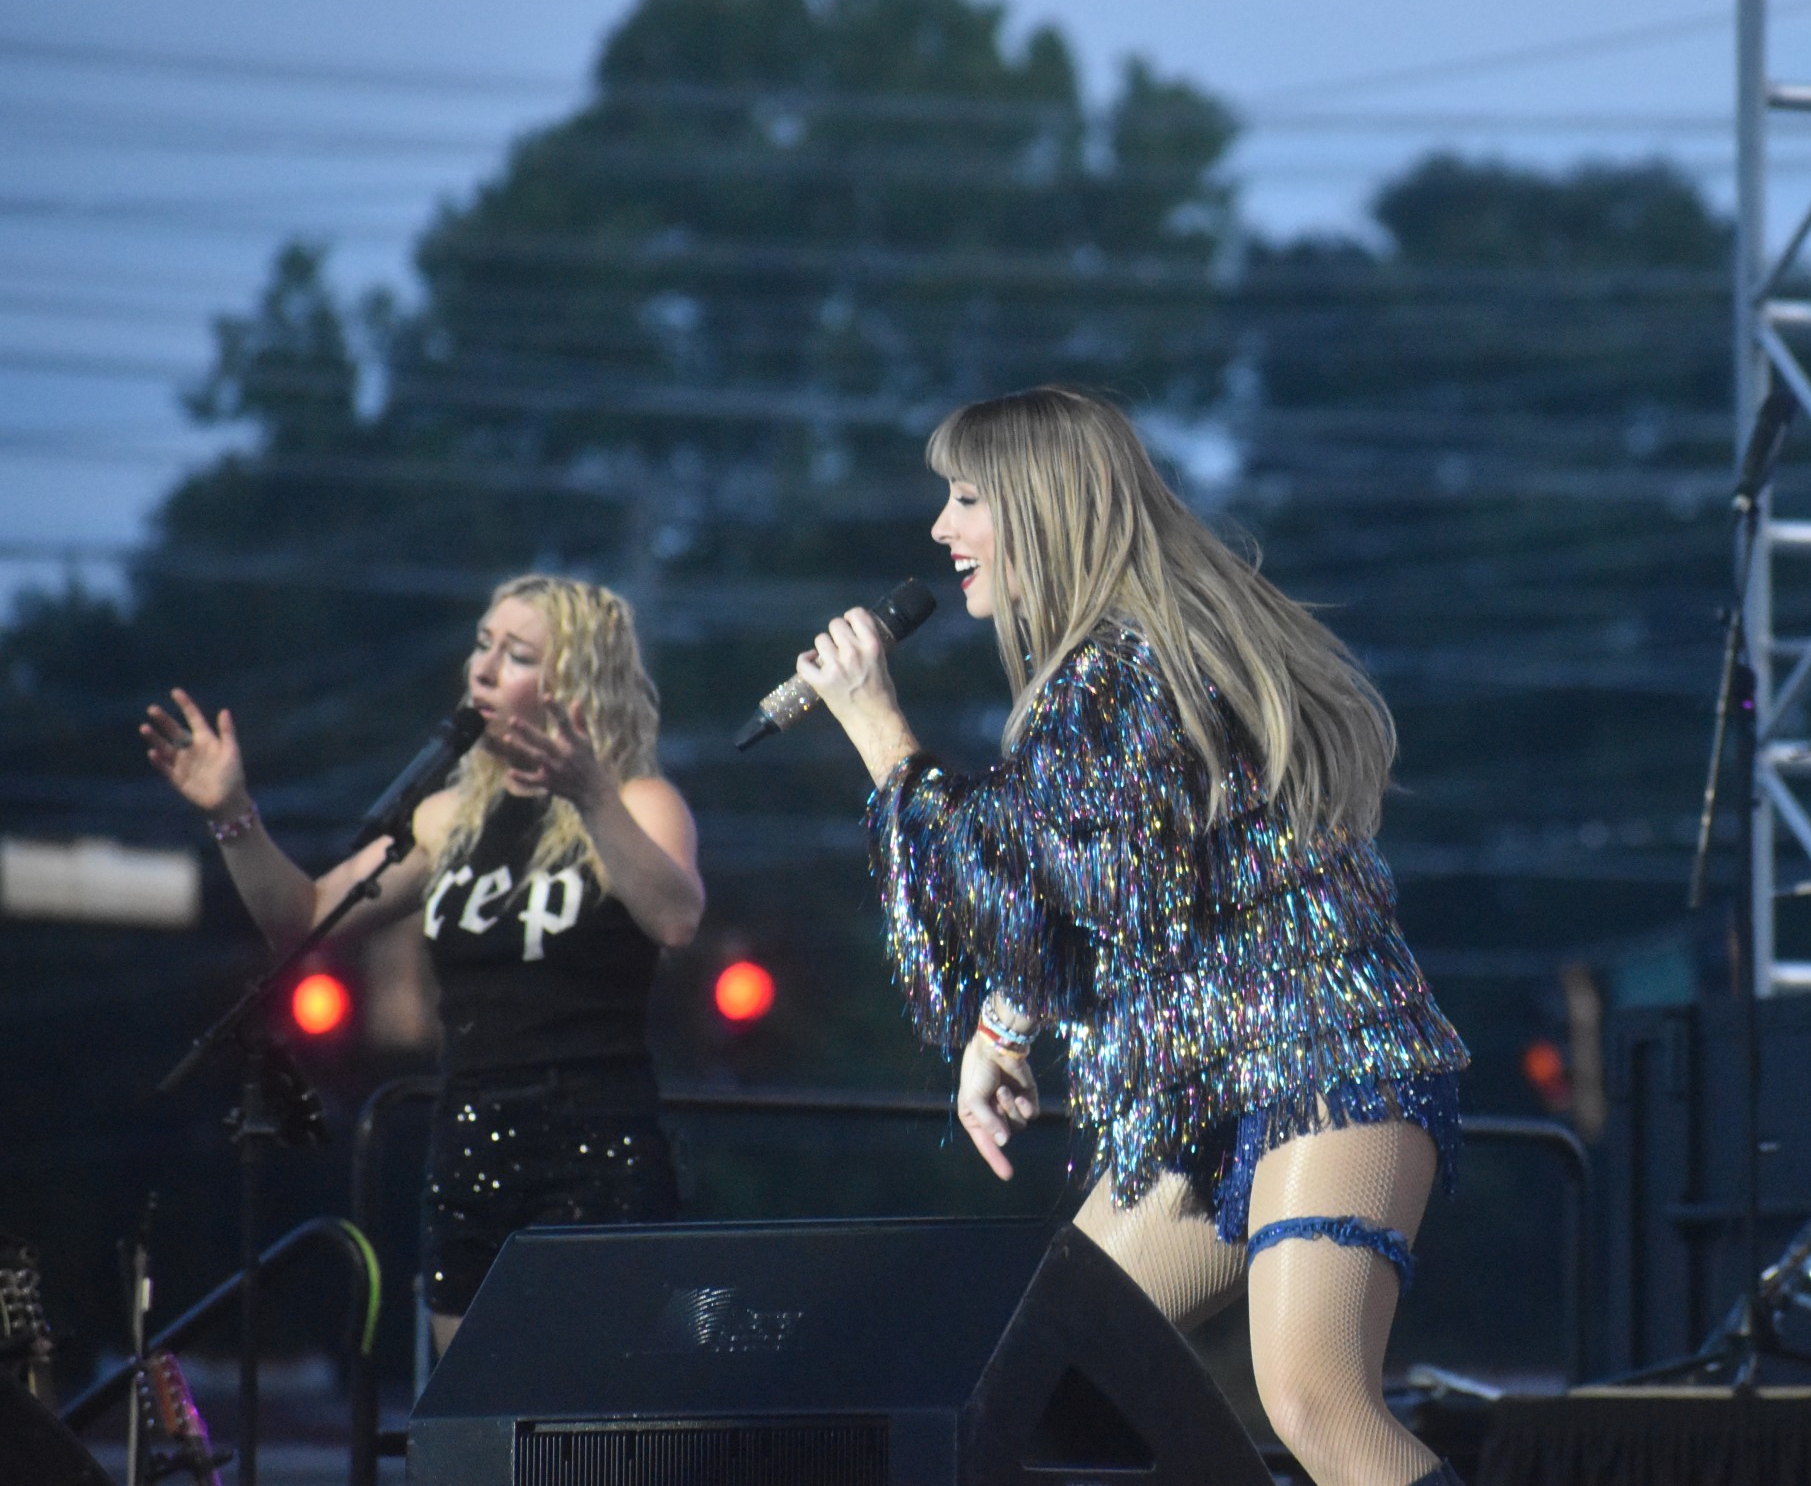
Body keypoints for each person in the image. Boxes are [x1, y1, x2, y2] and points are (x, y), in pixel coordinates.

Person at [797, 387, 1472, 1486]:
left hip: (1327, 1065)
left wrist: (880, 732)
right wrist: (1003, 1025)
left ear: (1041, 507)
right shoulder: (1096, 674)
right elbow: (1082, 892)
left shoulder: (1129, 671)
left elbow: (1068, 885)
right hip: (1204, 1093)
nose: (941, 528)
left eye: (966, 498)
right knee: (1040, 1381)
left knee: (1315, 1402)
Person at [141, 575, 703, 1351]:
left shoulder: (641, 802)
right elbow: (305, 918)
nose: (483, 667)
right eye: (482, 644)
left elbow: (676, 918)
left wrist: (593, 798)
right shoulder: (447, 818)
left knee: (592, 1391)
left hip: (596, 1140)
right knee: (476, 1395)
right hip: (470, 1138)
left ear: (574, 683)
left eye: (517, 654)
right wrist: (232, 813)